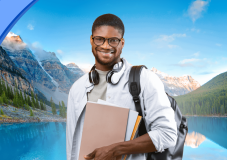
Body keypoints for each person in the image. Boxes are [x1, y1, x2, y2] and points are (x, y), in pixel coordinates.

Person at [66, 14, 177, 160]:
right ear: (91, 40)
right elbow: (72, 146)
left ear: (122, 43)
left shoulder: (145, 79)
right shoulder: (77, 88)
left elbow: (167, 134)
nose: (106, 46)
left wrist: (116, 149)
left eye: (113, 40)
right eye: (100, 39)